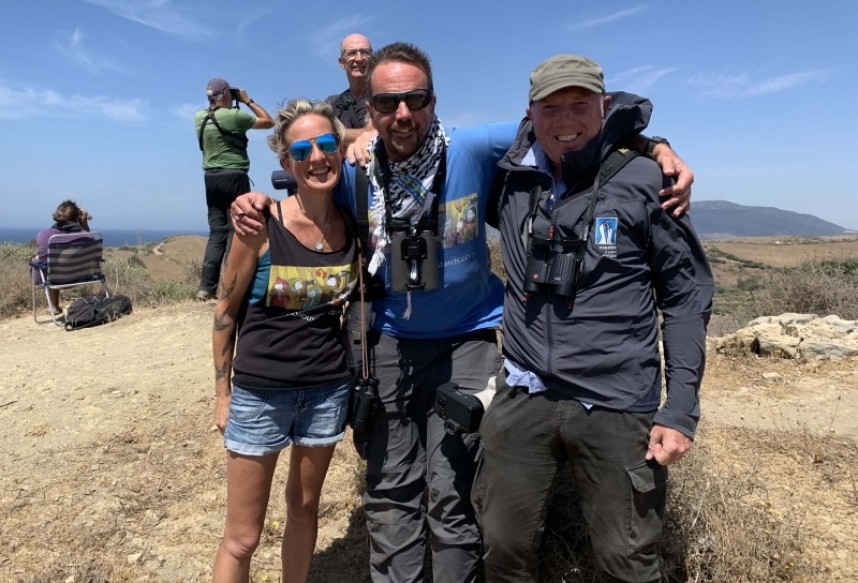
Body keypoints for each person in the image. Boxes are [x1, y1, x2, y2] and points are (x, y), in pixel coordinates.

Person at [231, 42, 694, 583]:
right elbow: (306, 188)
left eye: (416, 98)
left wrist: (656, 146)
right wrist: (252, 201)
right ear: (370, 110)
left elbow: (564, 124)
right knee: (390, 491)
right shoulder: (354, 171)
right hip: (389, 342)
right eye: (387, 102)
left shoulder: (471, 147)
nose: (402, 113)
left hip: (469, 341)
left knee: (456, 490)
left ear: (434, 101)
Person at [472, 55, 714, 583]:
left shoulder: (647, 180)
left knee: (625, 560)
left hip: (616, 400)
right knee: (502, 549)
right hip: (523, 392)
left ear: (604, 106)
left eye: (580, 105)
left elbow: (686, 296)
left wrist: (680, 408)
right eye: (550, 108)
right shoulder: (511, 180)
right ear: (529, 112)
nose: (565, 121)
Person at [210, 99, 358, 583]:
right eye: (303, 149)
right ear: (287, 163)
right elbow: (225, 311)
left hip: (326, 390)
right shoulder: (261, 224)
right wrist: (222, 393)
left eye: (327, 144)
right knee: (243, 537)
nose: (317, 157)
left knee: (304, 508)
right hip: (260, 392)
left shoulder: (352, 226)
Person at [194, 77, 274, 301]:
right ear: (226, 94)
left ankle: (206, 287)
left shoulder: (199, 117)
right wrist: (248, 101)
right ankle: (230, 286)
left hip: (210, 178)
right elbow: (268, 121)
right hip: (234, 177)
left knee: (217, 232)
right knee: (236, 228)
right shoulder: (234, 116)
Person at [31, 199, 92, 313]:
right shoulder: (86, 236)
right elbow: (89, 242)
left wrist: (36, 259)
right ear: (77, 217)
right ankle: (54, 306)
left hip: (54, 279)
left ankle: (53, 307)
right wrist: (84, 224)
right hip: (81, 276)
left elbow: (44, 260)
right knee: (56, 263)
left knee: (45, 262)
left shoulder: (44, 234)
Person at [326, 33, 374, 144]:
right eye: (352, 53)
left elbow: (374, 133)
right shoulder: (332, 104)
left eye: (365, 52)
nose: (359, 58)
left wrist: (332, 135)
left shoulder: (381, 97)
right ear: (341, 63)